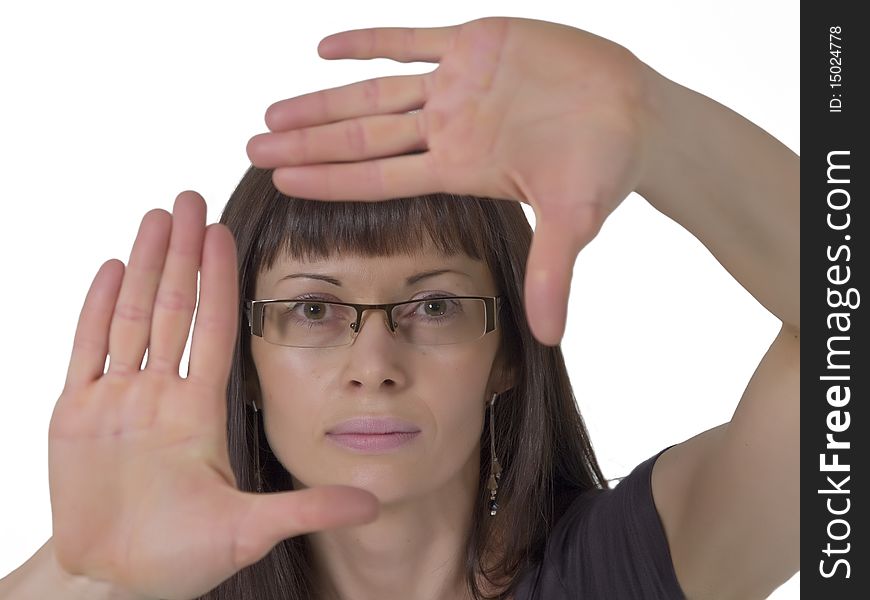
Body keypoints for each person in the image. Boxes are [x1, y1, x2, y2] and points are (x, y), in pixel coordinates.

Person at [0, 15, 798, 600]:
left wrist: (658, 125)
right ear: (242, 367)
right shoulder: (143, 584)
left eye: (436, 306)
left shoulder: (613, 574)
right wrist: (79, 579)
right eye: (313, 312)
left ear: (509, 353)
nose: (375, 368)